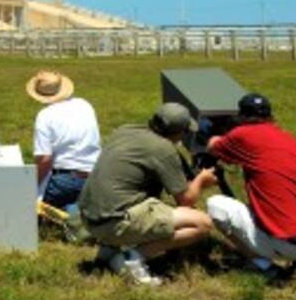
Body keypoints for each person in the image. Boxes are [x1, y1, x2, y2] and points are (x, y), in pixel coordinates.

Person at [78, 103, 217, 286]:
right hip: (115, 221)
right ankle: (132, 258)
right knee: (202, 223)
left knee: (140, 195)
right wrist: (201, 180)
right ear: (177, 132)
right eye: (185, 131)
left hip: (89, 215)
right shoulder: (163, 149)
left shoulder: (125, 130)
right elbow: (185, 200)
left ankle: (109, 249)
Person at [206, 93, 296, 285]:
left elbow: (213, 147)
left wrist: (215, 134)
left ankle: (263, 265)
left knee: (215, 205)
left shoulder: (241, 134)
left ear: (243, 116)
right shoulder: (288, 138)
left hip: (286, 243)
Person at [27, 70, 100, 209]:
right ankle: (78, 207)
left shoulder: (45, 116)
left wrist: (31, 187)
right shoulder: (84, 104)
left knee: (25, 203)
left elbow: (44, 160)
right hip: (96, 175)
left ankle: (72, 211)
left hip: (65, 180)